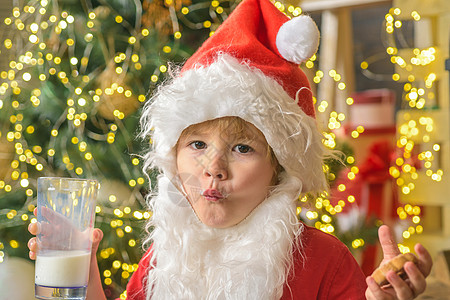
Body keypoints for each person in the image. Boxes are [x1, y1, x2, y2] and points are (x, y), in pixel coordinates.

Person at [27, 0, 433, 298]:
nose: (214, 168)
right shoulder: (163, 259)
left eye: (242, 148)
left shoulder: (324, 260)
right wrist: (85, 271)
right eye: (197, 144)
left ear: (280, 168)